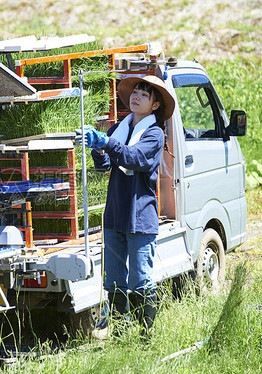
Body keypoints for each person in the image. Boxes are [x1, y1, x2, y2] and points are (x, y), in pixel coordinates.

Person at [77, 75, 175, 338]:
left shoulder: (154, 134)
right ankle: (121, 336)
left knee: (140, 281)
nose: (136, 96)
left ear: (155, 105)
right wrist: (98, 151)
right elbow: (106, 166)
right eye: (135, 92)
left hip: (140, 217)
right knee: (114, 282)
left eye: (144, 94)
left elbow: (135, 158)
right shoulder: (120, 129)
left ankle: (145, 338)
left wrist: (105, 142)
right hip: (115, 215)